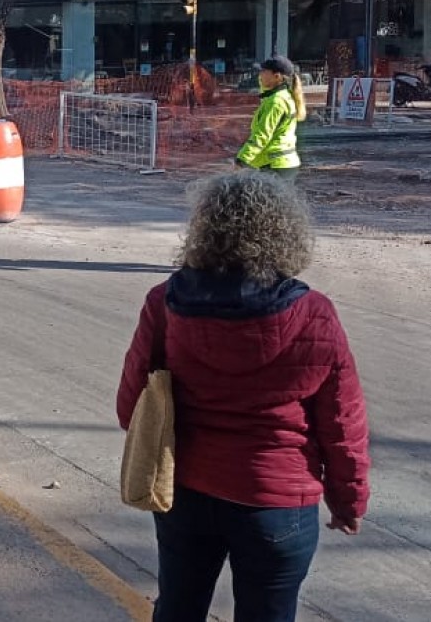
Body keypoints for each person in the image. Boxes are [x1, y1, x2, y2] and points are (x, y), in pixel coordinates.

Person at [117, 171, 369, 622]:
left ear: (204, 230)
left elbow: (130, 407)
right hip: (277, 504)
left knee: (178, 606)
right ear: (285, 233)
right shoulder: (314, 314)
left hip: (186, 493)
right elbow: (343, 426)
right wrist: (349, 501)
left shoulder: (165, 303)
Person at [236, 56, 306, 180]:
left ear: (277, 76)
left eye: (264, 72)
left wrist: (243, 159)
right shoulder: (282, 96)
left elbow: (262, 134)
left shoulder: (276, 102)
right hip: (283, 163)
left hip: (274, 166)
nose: (260, 75)